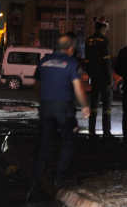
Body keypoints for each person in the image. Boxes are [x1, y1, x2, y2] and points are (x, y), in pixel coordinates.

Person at [28, 35, 90, 201]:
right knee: (69, 142)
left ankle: (35, 185)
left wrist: (41, 102)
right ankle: (59, 179)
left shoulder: (43, 62)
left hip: (46, 108)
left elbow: (37, 86)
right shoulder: (71, 63)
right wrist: (86, 105)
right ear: (70, 49)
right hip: (63, 109)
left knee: (43, 147)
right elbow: (78, 89)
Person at [85, 16, 116, 140]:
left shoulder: (88, 41)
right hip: (103, 76)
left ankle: (91, 131)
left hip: (94, 77)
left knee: (93, 104)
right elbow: (106, 59)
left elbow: (87, 60)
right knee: (106, 105)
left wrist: (90, 74)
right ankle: (106, 132)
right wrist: (110, 76)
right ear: (103, 28)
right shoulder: (103, 40)